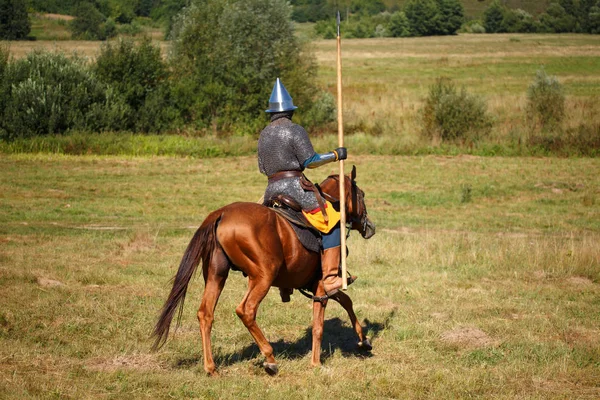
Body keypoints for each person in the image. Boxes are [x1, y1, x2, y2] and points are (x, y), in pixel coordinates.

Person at [258, 78, 354, 296]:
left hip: (271, 190)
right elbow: (310, 161)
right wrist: (336, 154)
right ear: (290, 111)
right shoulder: (295, 130)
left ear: (271, 113)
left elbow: (262, 167)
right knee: (332, 219)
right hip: (295, 188)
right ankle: (329, 278)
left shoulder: (264, 133)